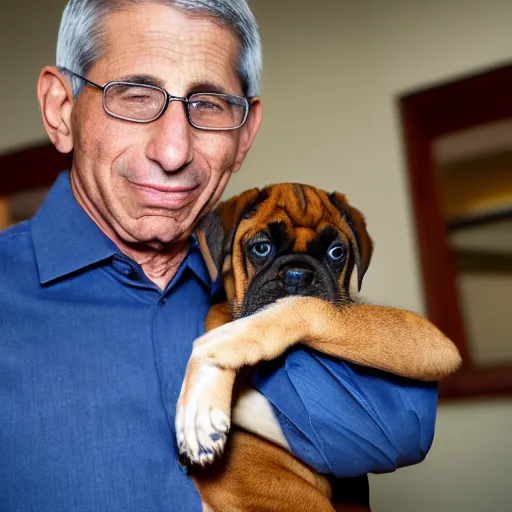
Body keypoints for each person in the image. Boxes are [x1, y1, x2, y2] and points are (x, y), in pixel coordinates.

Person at [0, 1, 439, 510]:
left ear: (245, 133)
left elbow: (403, 430)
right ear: (61, 109)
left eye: (208, 104)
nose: (173, 151)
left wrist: (239, 369)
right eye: (136, 95)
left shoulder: (257, 289)